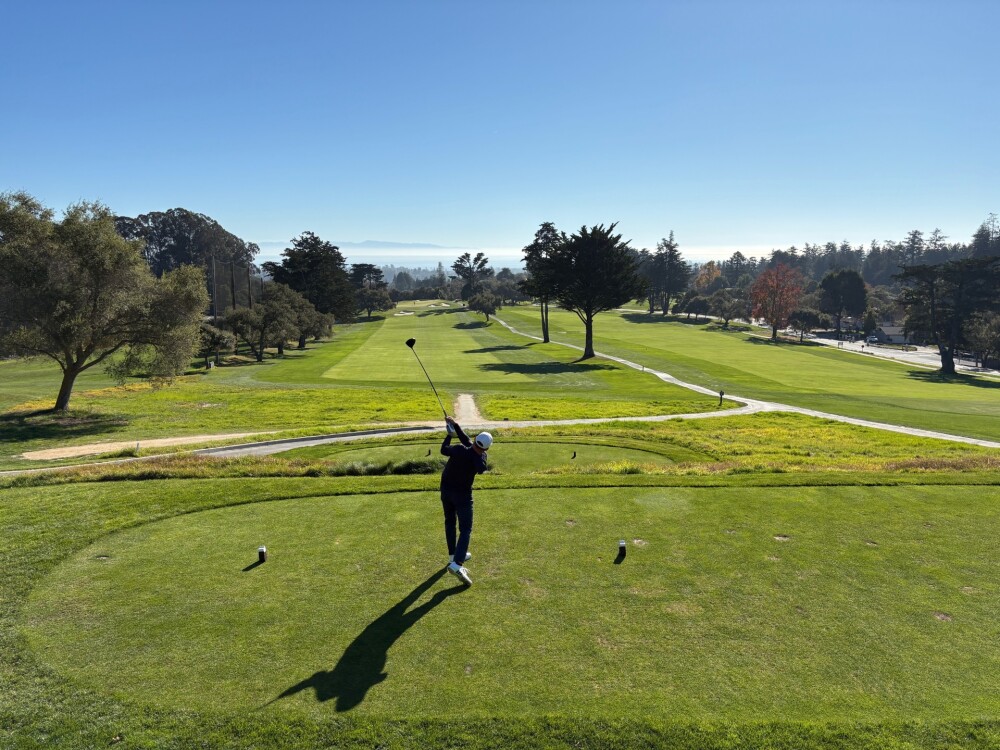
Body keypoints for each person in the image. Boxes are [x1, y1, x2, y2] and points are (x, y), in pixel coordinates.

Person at [440, 415, 492, 586]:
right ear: (486, 449)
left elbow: (444, 449)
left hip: (446, 492)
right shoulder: (480, 460)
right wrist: (455, 425)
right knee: (466, 528)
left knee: (450, 522)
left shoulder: (459, 449)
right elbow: (477, 457)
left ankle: (454, 556)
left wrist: (450, 433)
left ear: (476, 439)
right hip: (462, 496)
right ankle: (457, 564)